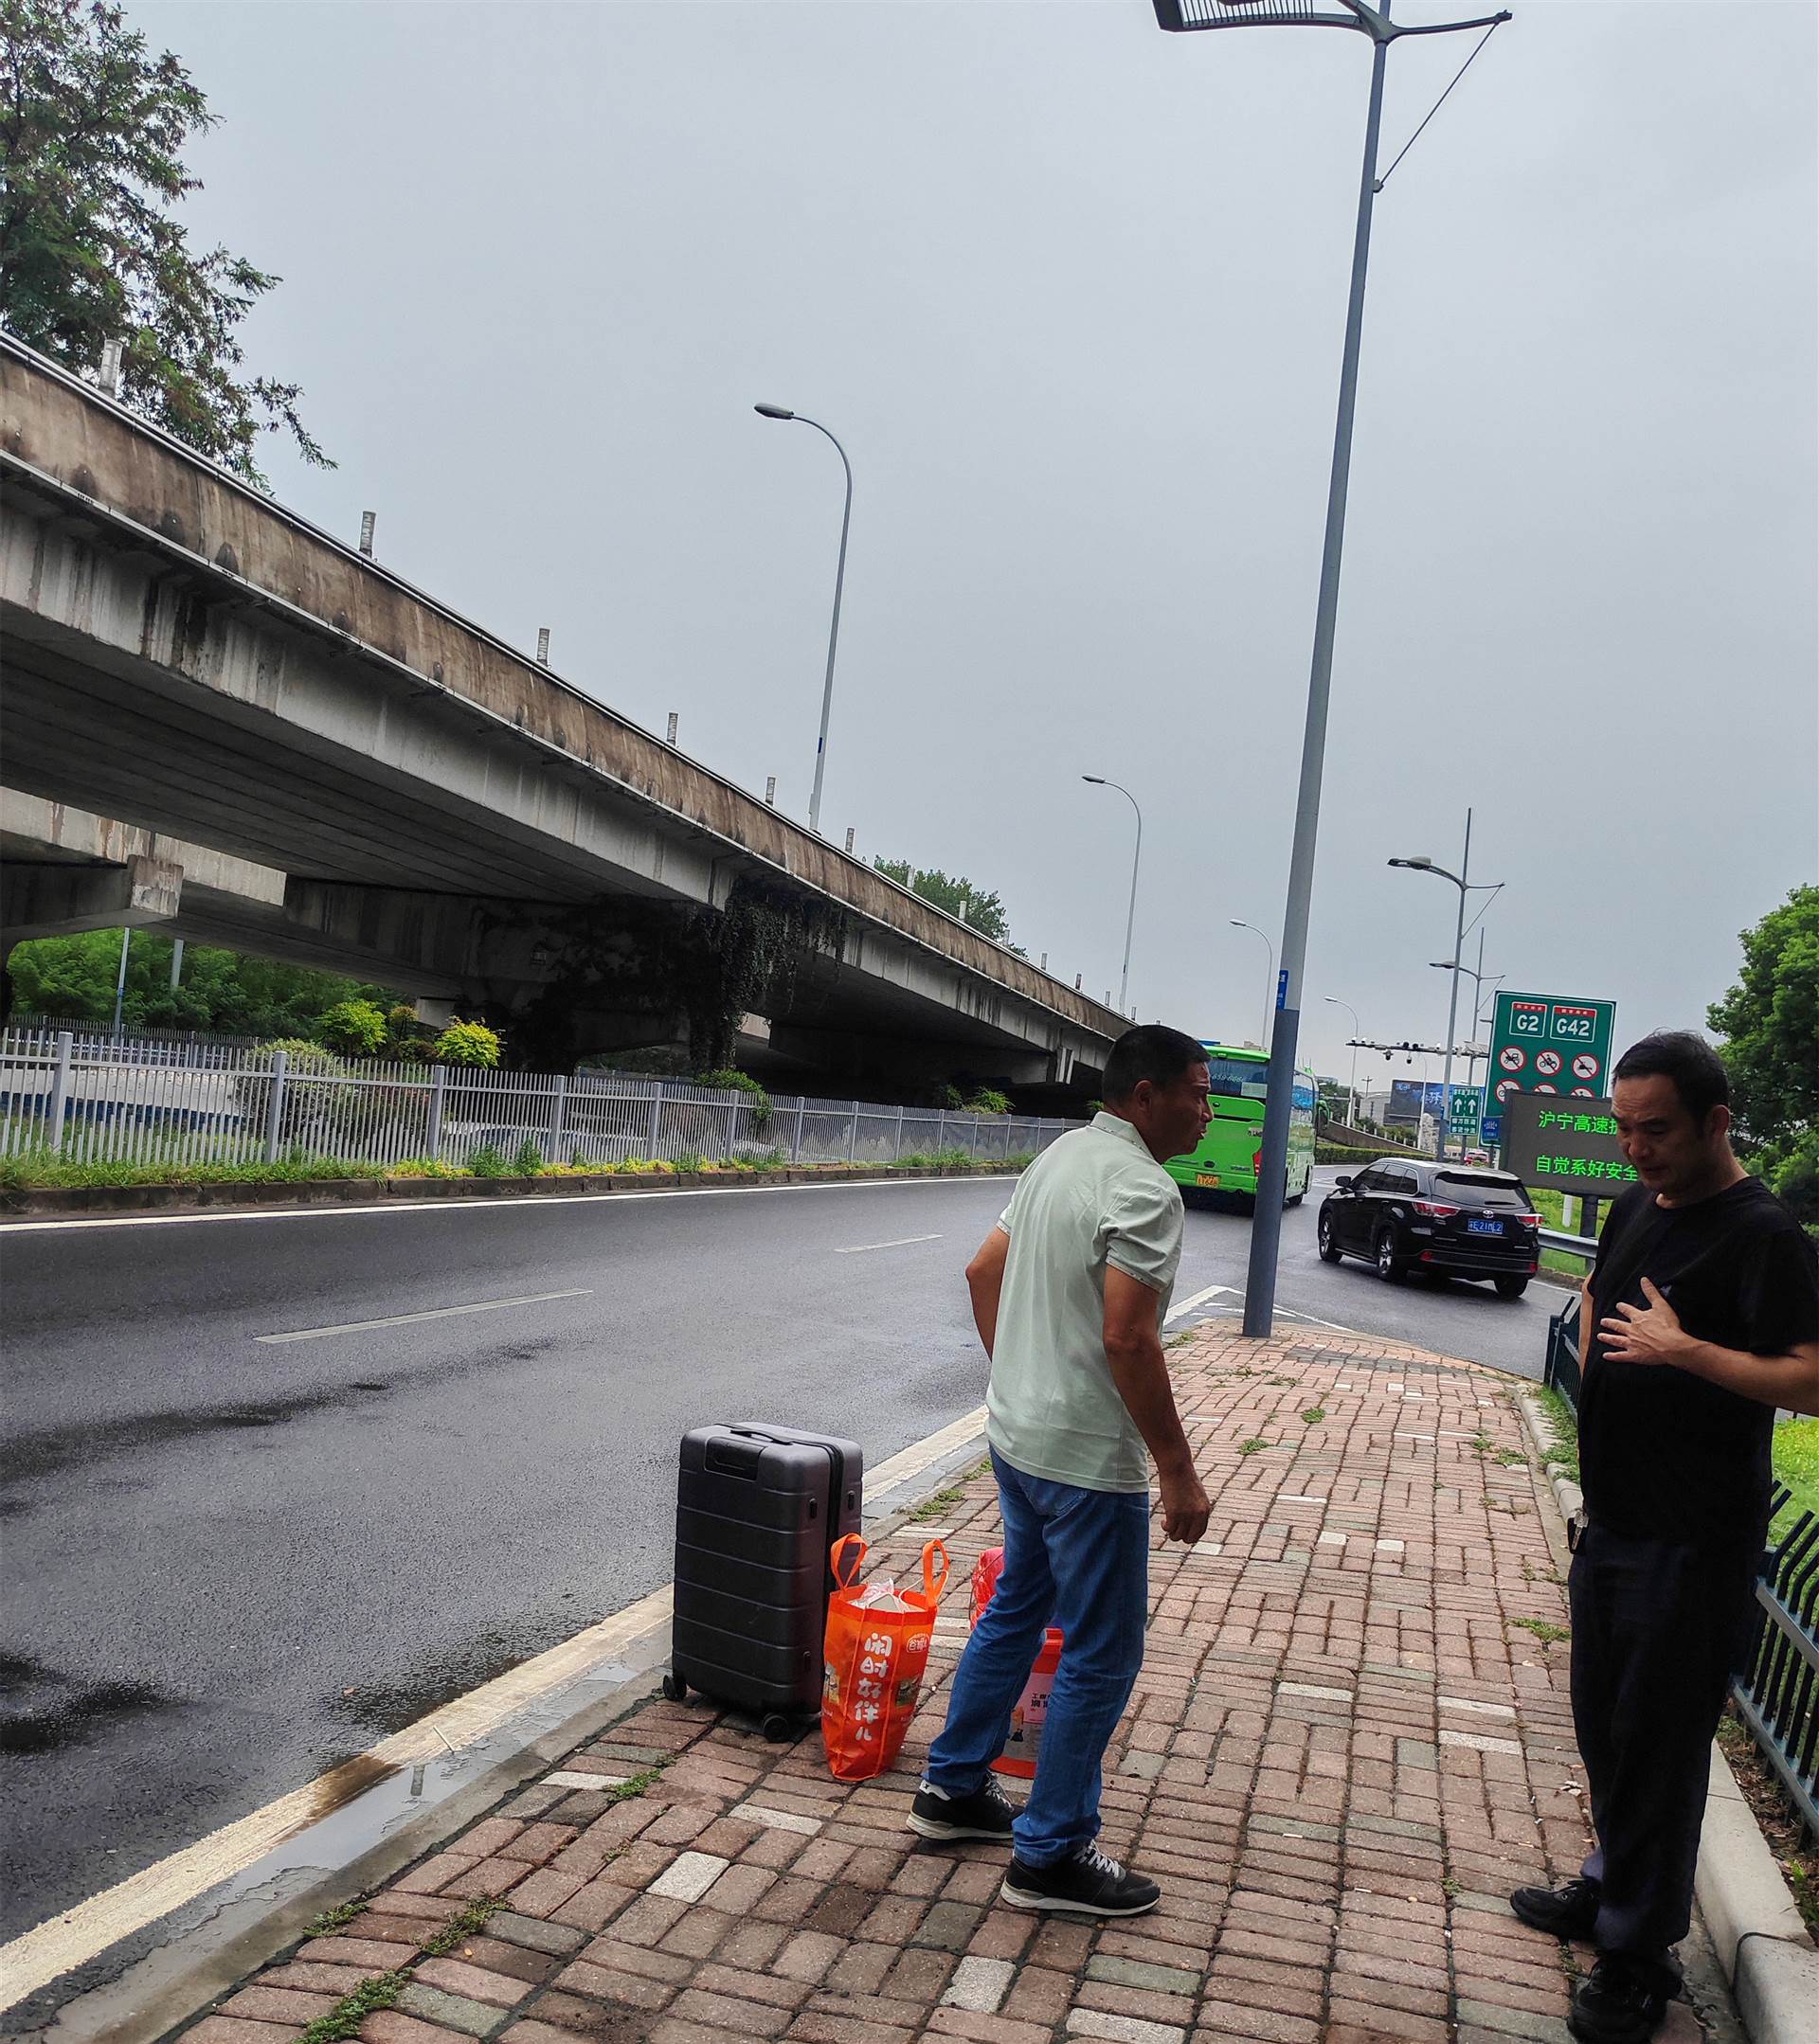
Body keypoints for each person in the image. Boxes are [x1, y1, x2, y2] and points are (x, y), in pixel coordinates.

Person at [1509, 1031, 1819, 2044]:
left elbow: (1811, 1376)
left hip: (1696, 1542)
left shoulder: (1763, 1233)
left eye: (1656, 1130)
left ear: (1714, 1122)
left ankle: (1639, 1959)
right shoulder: (1636, 1204)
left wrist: (1685, 1352)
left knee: (1664, 1750)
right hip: (1616, 1522)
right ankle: (1607, 1886)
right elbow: (1600, 1298)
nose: (1635, 1149)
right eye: (1622, 1128)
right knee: (1605, 1730)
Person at [905, 1024, 1214, 1917]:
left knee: (1015, 1610)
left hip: (1017, 1438)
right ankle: (1050, 1852)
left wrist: (1018, 1378)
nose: (1207, 1111)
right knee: (1102, 1650)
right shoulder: (1144, 1188)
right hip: (1084, 1460)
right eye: (1195, 1092)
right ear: (1144, 1095)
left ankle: (953, 1790)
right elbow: (1128, 1336)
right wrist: (1177, 1470)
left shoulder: (1062, 1155)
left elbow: (980, 1271)